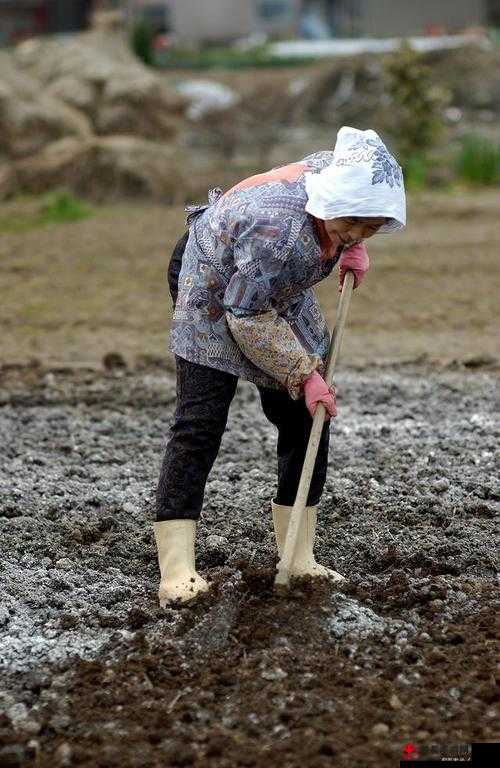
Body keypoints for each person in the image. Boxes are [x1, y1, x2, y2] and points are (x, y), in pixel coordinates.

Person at [154, 126, 406, 605]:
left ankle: (298, 556)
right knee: (201, 421)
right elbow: (245, 313)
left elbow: (339, 211)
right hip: (211, 277)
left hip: (275, 284)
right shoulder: (277, 230)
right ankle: (177, 574)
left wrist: (351, 243)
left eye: (370, 226)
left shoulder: (340, 175)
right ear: (333, 201)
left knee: (306, 417)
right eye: (352, 222)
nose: (357, 231)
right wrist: (302, 373)